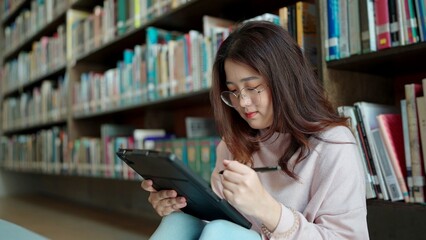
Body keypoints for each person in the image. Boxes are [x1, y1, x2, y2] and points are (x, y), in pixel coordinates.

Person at [141, 20, 369, 239]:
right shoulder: (232, 145)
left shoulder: (333, 144)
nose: (243, 102)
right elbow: (218, 223)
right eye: (233, 91)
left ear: (285, 81)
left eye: (252, 88)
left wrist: (269, 210)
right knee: (178, 222)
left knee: (220, 233)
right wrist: (178, 207)